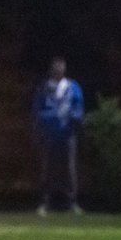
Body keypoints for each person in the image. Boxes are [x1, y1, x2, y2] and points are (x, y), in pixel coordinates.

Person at [33, 56, 84, 217]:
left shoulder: (73, 87)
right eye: (56, 67)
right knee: (47, 170)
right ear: (51, 70)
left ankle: (72, 203)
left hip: (68, 135)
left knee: (69, 170)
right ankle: (44, 203)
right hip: (49, 135)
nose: (59, 70)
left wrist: (73, 116)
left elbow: (79, 108)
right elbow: (37, 111)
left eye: (61, 67)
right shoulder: (43, 88)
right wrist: (53, 116)